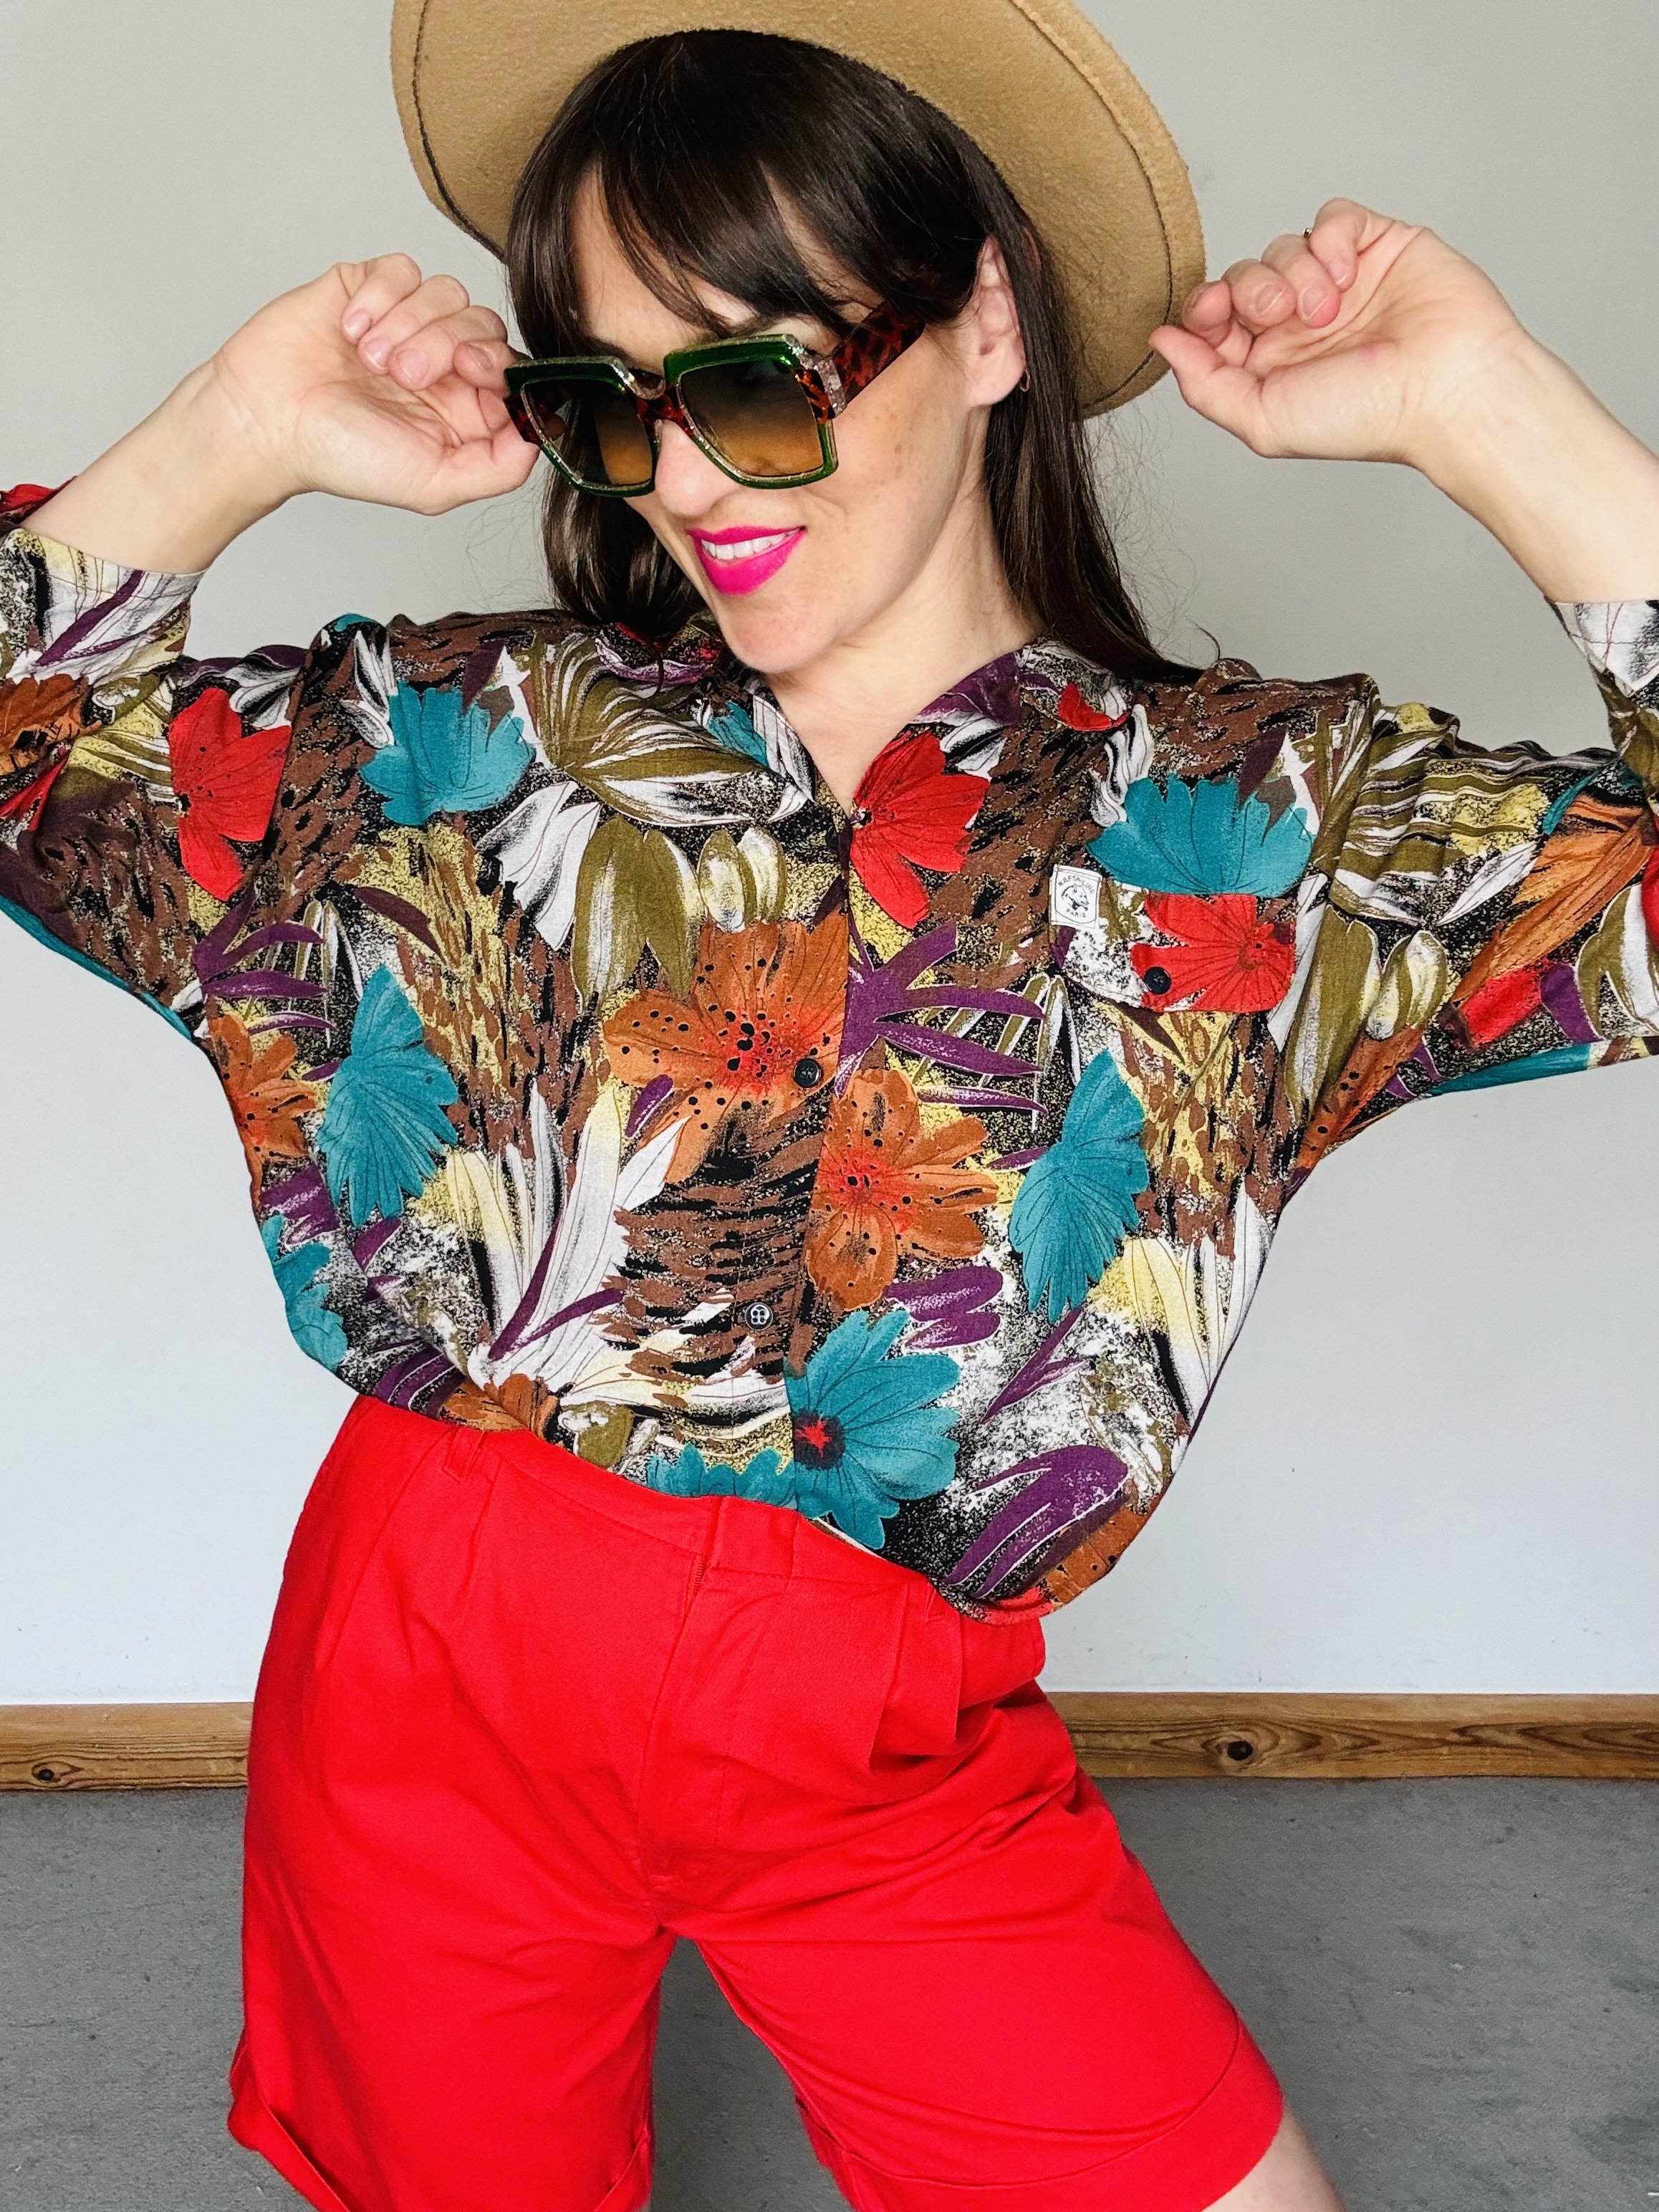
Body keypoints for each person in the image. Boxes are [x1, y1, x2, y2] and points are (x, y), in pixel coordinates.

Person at [2, 4, 1655, 2208]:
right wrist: (235, 429)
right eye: (613, 407)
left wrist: (1489, 407)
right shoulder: (460, 743)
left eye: (758, 384)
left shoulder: (1261, 824)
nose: (689, 482)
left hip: (883, 1731)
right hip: (426, 1669)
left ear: (985, 324)